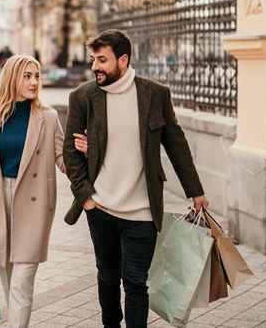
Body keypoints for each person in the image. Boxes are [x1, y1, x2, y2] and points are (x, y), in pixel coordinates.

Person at [63, 29, 209, 328]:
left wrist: (195, 191)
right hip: (100, 207)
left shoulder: (155, 95)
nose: (94, 67)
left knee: (135, 282)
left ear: (123, 59)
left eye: (102, 60)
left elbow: (177, 146)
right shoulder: (83, 98)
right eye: (93, 59)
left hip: (143, 209)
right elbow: (70, 152)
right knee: (107, 277)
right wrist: (86, 197)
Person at [0, 54, 86, 328]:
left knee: (22, 281)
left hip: (33, 205)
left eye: (36, 76)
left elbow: (62, 160)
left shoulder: (48, 117)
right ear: (11, 79)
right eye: (27, 76)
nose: (34, 82)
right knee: (9, 282)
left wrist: (83, 154)